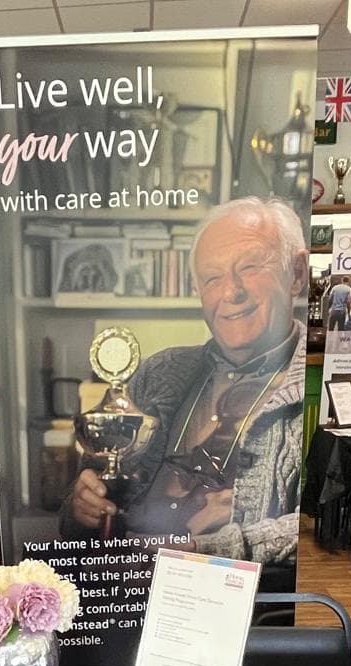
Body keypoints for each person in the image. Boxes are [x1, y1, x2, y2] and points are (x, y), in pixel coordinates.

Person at [62, 196, 307, 567]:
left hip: (232, 602)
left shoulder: (319, 389)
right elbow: (80, 510)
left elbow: (322, 527)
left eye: (251, 266)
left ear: (298, 273)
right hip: (123, 584)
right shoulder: (159, 372)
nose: (230, 292)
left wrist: (210, 552)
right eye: (212, 277)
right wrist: (82, 505)